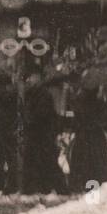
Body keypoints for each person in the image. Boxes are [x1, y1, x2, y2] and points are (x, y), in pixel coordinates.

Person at [19, 66, 67, 196]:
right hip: (36, 133)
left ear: (39, 78)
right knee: (35, 161)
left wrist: (29, 120)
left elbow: (42, 114)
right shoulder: (32, 93)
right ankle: (34, 189)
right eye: (29, 77)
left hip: (42, 133)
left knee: (47, 161)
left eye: (32, 77)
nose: (29, 80)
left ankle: (59, 189)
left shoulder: (43, 94)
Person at [67, 70, 107, 193]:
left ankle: (81, 186)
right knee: (97, 164)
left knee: (82, 163)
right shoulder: (99, 102)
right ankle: (95, 187)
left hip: (82, 137)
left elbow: (76, 121)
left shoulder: (79, 101)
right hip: (96, 137)